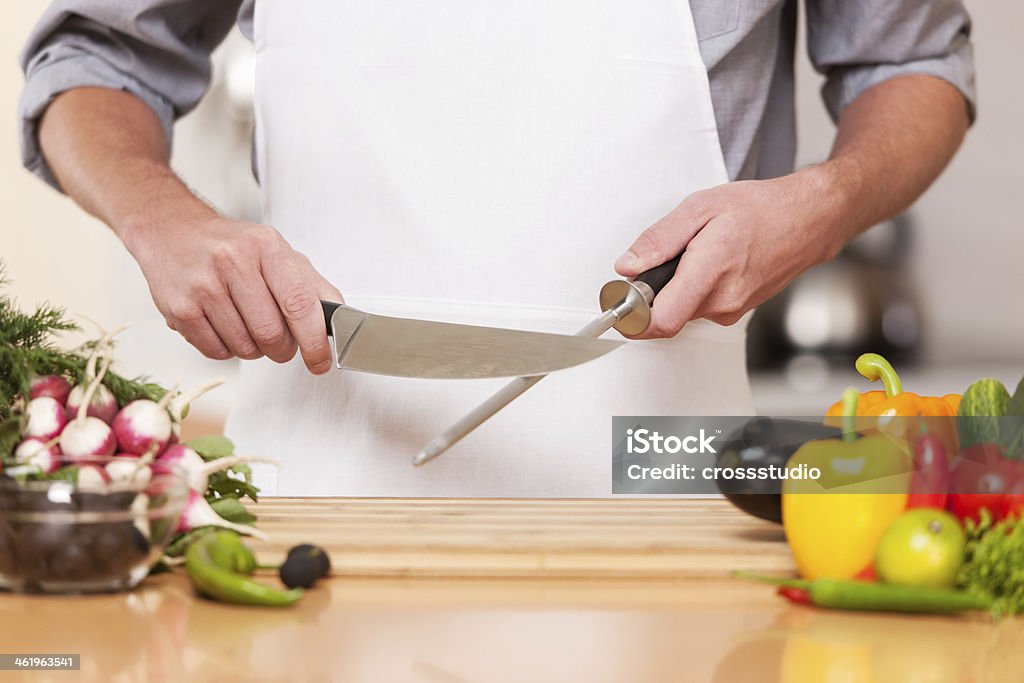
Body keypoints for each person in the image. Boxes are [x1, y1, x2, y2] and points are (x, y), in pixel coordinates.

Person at [19, 1, 975, 496]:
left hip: (659, 467)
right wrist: (163, 219)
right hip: (317, 481)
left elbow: (914, 62)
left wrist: (823, 201)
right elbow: (92, 61)